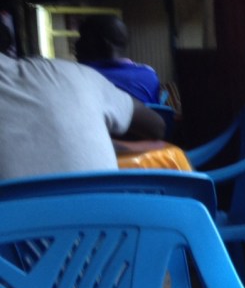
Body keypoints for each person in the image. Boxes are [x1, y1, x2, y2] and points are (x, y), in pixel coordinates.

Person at [0, 19, 165, 180]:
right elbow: (158, 126)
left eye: (82, 38)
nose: (76, 44)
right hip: (114, 198)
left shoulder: (87, 73)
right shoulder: (79, 75)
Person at [74, 14, 162, 105]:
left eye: (83, 37)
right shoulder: (148, 74)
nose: (76, 43)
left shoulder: (80, 75)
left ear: (102, 43)